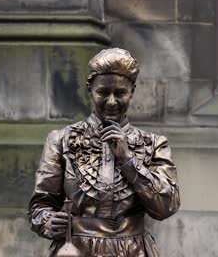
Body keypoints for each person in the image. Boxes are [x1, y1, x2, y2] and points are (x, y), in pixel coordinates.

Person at [27, 48, 180, 257]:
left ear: (132, 91)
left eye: (120, 93)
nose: (111, 101)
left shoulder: (154, 144)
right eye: (103, 92)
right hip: (76, 250)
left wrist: (128, 160)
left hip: (133, 251)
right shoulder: (61, 140)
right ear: (90, 89)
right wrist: (48, 222)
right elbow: (40, 206)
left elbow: (166, 206)